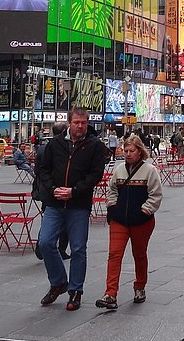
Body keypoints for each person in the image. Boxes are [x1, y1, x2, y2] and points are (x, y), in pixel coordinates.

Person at [35, 107, 107, 311]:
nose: (81, 126)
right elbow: (43, 170)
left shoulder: (94, 145)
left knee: (78, 248)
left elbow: (95, 174)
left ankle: (76, 290)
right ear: (69, 122)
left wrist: (74, 191)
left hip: (78, 204)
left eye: (84, 123)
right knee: (46, 242)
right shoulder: (54, 144)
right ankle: (58, 281)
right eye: (77, 122)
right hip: (55, 202)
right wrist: (53, 189)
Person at [95, 135, 163, 310]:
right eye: (125, 151)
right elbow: (111, 190)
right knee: (114, 254)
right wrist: (112, 208)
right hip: (120, 220)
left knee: (139, 254)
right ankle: (110, 293)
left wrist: (144, 212)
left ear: (140, 151)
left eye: (131, 151)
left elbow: (155, 195)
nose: (128, 154)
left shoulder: (150, 170)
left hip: (141, 221)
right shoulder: (119, 170)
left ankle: (140, 287)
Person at [33, 122, 69, 261]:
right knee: (63, 220)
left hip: (44, 191)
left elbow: (37, 171)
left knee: (48, 218)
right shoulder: (61, 148)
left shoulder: (42, 148)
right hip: (57, 190)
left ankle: (42, 244)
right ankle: (60, 249)